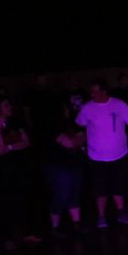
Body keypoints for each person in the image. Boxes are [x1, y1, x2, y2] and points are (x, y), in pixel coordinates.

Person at [75, 80, 128, 228]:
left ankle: (121, 212)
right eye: (91, 92)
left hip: (119, 154)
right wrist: (81, 146)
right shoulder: (87, 108)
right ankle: (101, 216)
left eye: (95, 91)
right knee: (100, 188)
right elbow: (79, 127)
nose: (92, 94)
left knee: (119, 185)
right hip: (96, 156)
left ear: (104, 91)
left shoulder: (119, 105)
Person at [0, 94, 41, 248]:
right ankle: (8, 238)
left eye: (9, 104)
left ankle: (28, 233)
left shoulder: (16, 121)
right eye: (5, 105)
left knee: (24, 199)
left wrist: (11, 146)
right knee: (7, 203)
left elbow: (26, 141)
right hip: (4, 170)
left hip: (20, 165)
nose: (9, 107)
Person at [46, 99, 86, 236]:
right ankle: (55, 228)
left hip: (75, 164)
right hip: (59, 166)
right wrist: (77, 139)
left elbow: (83, 138)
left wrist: (78, 139)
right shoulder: (52, 125)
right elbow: (70, 143)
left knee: (74, 194)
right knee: (61, 195)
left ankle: (76, 225)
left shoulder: (74, 122)